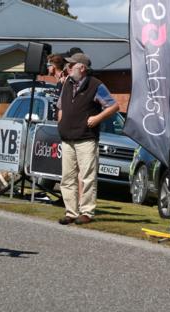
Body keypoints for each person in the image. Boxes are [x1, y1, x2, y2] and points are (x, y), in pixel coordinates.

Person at [57, 53, 119, 225]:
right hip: (67, 137)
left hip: (86, 138)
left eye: (71, 65)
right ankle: (70, 212)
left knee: (87, 177)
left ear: (82, 68)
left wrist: (97, 118)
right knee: (67, 178)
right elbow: (60, 106)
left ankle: (86, 212)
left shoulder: (96, 85)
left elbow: (114, 106)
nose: (67, 68)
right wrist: (60, 122)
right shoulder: (67, 84)